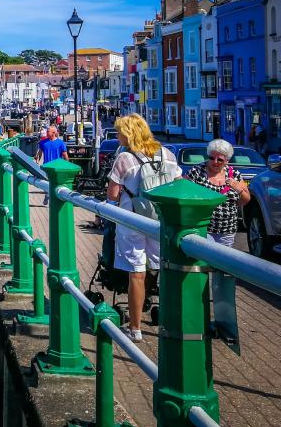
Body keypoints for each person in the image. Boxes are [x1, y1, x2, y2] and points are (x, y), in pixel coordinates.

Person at [106, 113, 181, 342]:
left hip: (132, 221)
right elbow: (178, 185)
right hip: (159, 220)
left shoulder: (124, 159)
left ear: (129, 133)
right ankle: (170, 323)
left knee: (136, 274)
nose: (117, 135)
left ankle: (135, 328)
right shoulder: (167, 155)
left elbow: (112, 194)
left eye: (119, 131)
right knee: (163, 269)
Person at [185, 139, 250, 247]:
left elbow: (245, 200)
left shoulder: (234, 174)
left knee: (222, 262)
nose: (215, 162)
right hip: (202, 227)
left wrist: (237, 188)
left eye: (219, 159)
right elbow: (183, 191)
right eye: (211, 158)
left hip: (227, 230)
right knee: (205, 258)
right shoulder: (197, 171)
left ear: (227, 160)